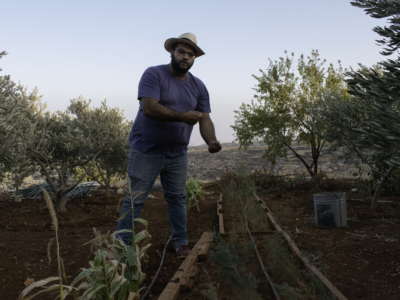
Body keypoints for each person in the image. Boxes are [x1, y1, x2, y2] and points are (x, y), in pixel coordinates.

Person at [116, 33, 222, 258]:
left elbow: (205, 118)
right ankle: (120, 246)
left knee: (177, 198)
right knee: (135, 200)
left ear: (194, 59)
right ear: (171, 52)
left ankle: (181, 242)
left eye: (191, 54)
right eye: (182, 52)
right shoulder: (154, 74)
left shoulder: (198, 86)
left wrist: (210, 140)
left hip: (177, 153)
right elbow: (150, 108)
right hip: (146, 150)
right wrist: (183, 117)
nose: (186, 57)